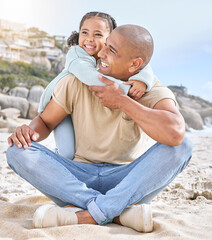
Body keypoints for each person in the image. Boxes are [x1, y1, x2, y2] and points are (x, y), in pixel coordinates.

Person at [6, 24, 193, 233]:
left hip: (127, 181)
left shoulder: (149, 89)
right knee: (16, 150)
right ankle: (116, 212)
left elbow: (175, 132)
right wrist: (28, 131)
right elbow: (46, 122)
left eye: (111, 50)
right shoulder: (76, 81)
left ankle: (88, 214)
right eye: (106, 45)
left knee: (182, 145)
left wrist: (124, 102)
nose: (101, 52)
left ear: (135, 65)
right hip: (76, 179)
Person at [39, 12, 156, 160]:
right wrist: (123, 89)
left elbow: (144, 65)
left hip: (81, 109)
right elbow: (90, 76)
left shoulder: (111, 58)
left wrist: (142, 80)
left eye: (98, 34)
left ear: (111, 38)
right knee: (67, 152)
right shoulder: (76, 54)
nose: (89, 39)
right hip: (60, 107)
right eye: (84, 32)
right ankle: (53, 160)